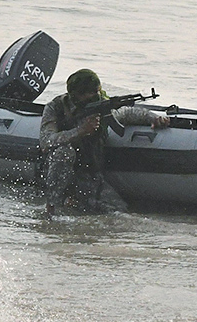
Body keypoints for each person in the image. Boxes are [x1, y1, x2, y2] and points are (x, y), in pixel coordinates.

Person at [40, 68, 169, 214]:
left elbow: (126, 113)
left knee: (116, 210)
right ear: (77, 94)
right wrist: (80, 131)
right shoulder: (55, 107)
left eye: (97, 91)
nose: (96, 95)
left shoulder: (101, 107)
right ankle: (52, 206)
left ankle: (74, 200)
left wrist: (153, 118)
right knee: (63, 152)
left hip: (88, 171)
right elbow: (46, 142)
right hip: (58, 170)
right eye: (91, 92)